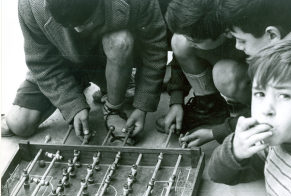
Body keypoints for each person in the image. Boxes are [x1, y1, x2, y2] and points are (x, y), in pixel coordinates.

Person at [1, 0, 167, 141]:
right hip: (64, 63)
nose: (79, 30)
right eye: (69, 25)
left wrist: (143, 105)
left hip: (108, 56)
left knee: (120, 42)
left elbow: (155, 47)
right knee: (19, 124)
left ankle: (114, 104)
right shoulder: (30, 5)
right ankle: (80, 85)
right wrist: (72, 105)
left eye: (86, 22)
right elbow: (42, 62)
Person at [179, 0, 291, 147]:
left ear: (272, 35)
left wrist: (214, 133)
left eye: (241, 40)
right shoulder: (290, 29)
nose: (237, 46)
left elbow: (265, 118)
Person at [208, 41, 291, 196]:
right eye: (260, 94)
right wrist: (235, 151)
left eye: (284, 95)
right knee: (237, 167)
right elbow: (217, 174)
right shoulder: (284, 132)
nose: (266, 109)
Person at [156, 0, 249, 144]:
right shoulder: (211, 16)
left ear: (226, 32)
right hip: (227, 45)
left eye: (194, 40)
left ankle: (241, 113)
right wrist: (176, 100)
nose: (189, 41)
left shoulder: (254, 32)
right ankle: (209, 108)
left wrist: (220, 131)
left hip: (257, 73)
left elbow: (273, 103)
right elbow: (179, 56)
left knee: (225, 74)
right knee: (179, 42)